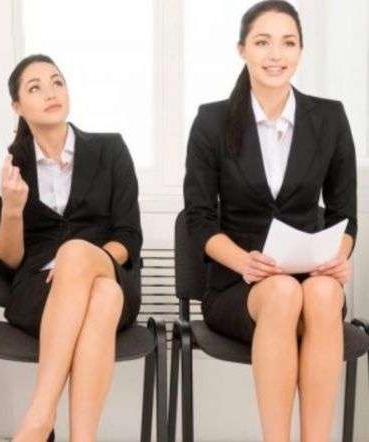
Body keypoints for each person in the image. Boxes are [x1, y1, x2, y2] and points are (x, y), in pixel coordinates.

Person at [183, 1, 357, 439]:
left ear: (300, 51)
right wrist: (244, 262)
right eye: (262, 42)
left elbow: (344, 215)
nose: (276, 55)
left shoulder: (329, 118)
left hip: (309, 275)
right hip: (238, 284)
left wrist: (338, 257)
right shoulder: (211, 121)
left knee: (324, 292)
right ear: (242, 49)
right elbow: (200, 220)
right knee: (280, 291)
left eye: (288, 43)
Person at [0, 54, 142, 441]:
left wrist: (83, 262)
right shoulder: (10, 164)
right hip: (38, 289)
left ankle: (38, 419)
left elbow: (128, 237)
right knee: (103, 296)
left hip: (109, 268)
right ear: (17, 106)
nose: (50, 92)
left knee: (80, 258)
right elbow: (8, 259)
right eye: (35, 87)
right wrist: (11, 209)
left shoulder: (110, 150)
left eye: (57, 82)